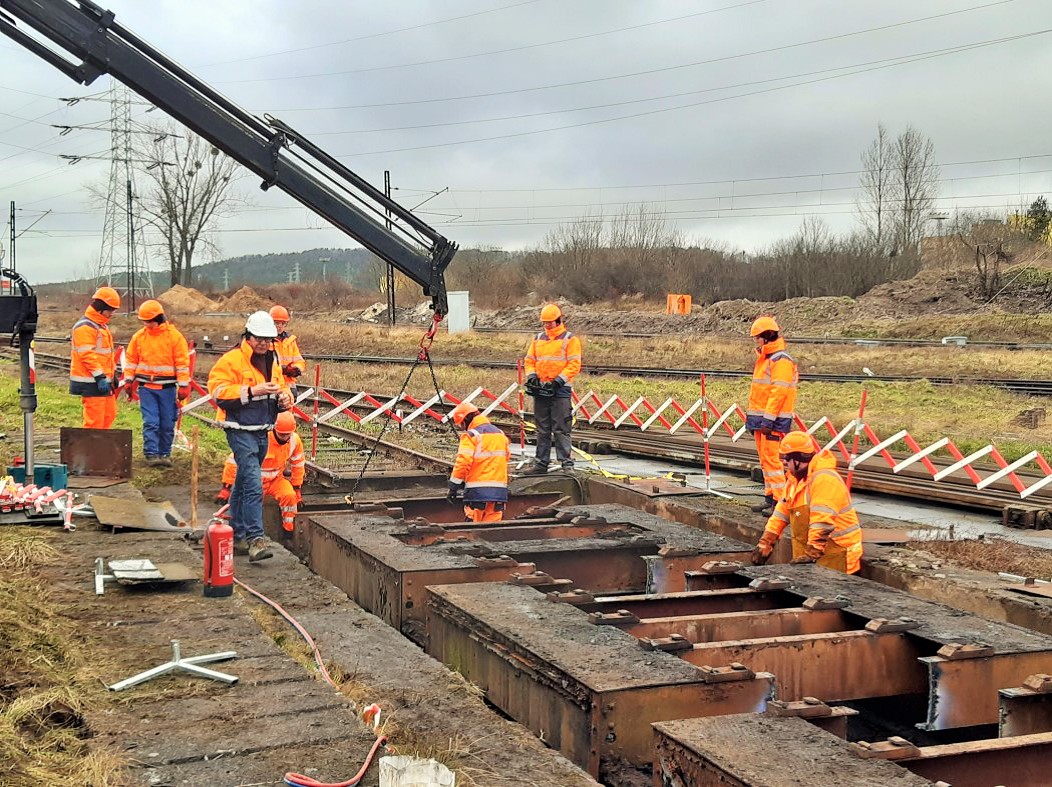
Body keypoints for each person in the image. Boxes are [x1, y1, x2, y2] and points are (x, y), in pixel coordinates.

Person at [207, 311, 292, 562]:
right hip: (239, 430)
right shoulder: (232, 360)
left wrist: (286, 398)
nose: (264, 343)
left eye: (268, 339)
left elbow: (281, 385)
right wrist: (252, 390)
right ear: (248, 336)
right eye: (259, 339)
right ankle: (256, 539)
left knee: (243, 484)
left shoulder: (272, 360)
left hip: (261, 429)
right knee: (254, 485)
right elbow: (218, 392)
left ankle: (237, 535)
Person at [751, 431, 863, 574]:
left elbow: (822, 522)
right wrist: (766, 543)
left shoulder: (824, 479)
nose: (784, 462)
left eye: (787, 457)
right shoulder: (794, 481)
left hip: (837, 553)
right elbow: (780, 514)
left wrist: (812, 553)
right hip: (814, 554)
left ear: (798, 459)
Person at [122, 300, 191, 467]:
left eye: (148, 321)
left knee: (167, 423)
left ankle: (165, 454)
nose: (146, 324)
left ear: (158, 318)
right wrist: (128, 381)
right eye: (144, 321)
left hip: (167, 388)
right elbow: (131, 361)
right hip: (146, 388)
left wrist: (183, 385)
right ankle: (152, 455)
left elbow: (182, 362)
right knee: (151, 422)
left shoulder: (174, 337)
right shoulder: (139, 337)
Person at [217, 411, 305, 533]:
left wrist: (297, 488)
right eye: (282, 434)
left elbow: (298, 464)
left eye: (288, 435)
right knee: (247, 505)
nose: (285, 438)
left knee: (289, 497)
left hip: (276, 480)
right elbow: (234, 461)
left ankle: (288, 531)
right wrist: (227, 486)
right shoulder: (260, 439)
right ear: (274, 429)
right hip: (254, 481)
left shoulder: (294, 441)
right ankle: (244, 533)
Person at [746, 316, 798, 515]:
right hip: (762, 420)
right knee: (766, 461)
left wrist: (768, 419)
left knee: (773, 461)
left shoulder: (780, 360)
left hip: (772, 421)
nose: (756, 341)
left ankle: (781, 503)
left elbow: (778, 392)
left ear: (767, 337)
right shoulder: (766, 359)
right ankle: (770, 498)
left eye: (757, 338)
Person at [523, 303, 582, 473]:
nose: (547, 326)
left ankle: (566, 463)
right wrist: (532, 376)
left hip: (560, 390)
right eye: (545, 323)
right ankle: (541, 463)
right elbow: (529, 360)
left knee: (561, 427)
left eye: (549, 322)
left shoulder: (570, 339)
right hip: (541, 388)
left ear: (558, 320)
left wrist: (558, 381)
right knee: (542, 428)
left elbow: (574, 364)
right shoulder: (538, 339)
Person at [447, 401, 511, 523]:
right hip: (499, 494)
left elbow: (463, 462)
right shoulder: (500, 434)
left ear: (465, 420)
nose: (462, 427)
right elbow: (506, 457)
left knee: (473, 529)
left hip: (477, 492)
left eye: (461, 425)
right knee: (492, 531)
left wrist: (453, 486)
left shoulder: (471, 436)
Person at [69, 286, 120, 429]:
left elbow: (106, 356)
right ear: (100, 308)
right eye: (110, 310)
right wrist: (100, 377)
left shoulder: (100, 326)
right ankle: (91, 449)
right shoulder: (85, 327)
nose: (112, 314)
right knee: (95, 422)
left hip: (102, 380)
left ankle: (99, 448)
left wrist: (112, 374)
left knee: (109, 415)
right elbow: (87, 355)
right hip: (91, 382)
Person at [270, 305, 305, 397]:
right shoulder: (266, 342)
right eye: (277, 323)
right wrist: (283, 369)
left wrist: (295, 369)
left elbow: (299, 361)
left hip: (289, 385)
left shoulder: (290, 341)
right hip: (273, 385)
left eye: (283, 323)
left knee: (288, 411)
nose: (280, 326)